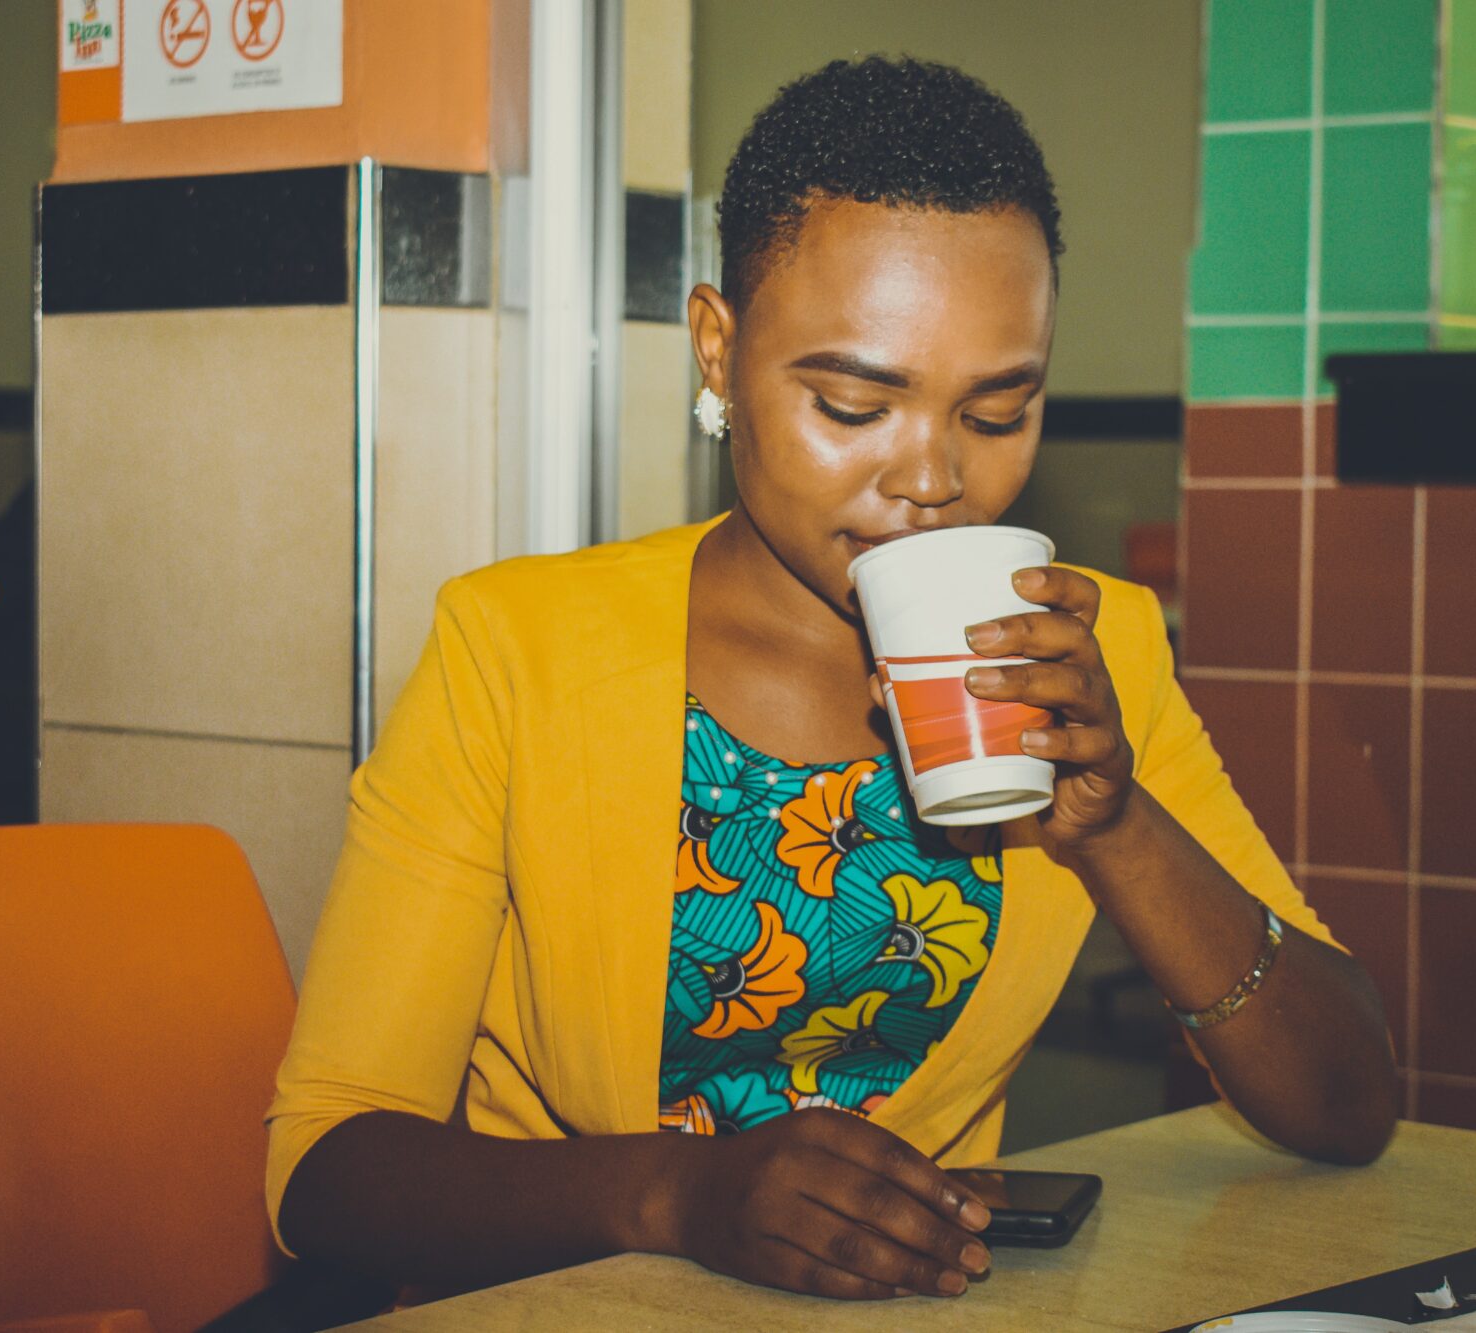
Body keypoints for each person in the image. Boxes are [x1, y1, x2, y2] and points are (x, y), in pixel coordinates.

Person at [268, 56, 1397, 1304]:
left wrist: (1118, 824)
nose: (930, 478)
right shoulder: (518, 649)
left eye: (996, 410)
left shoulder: (1094, 649)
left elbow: (1345, 1104)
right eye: (855, 403)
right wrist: (674, 1194)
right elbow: (326, 1174)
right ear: (717, 348)